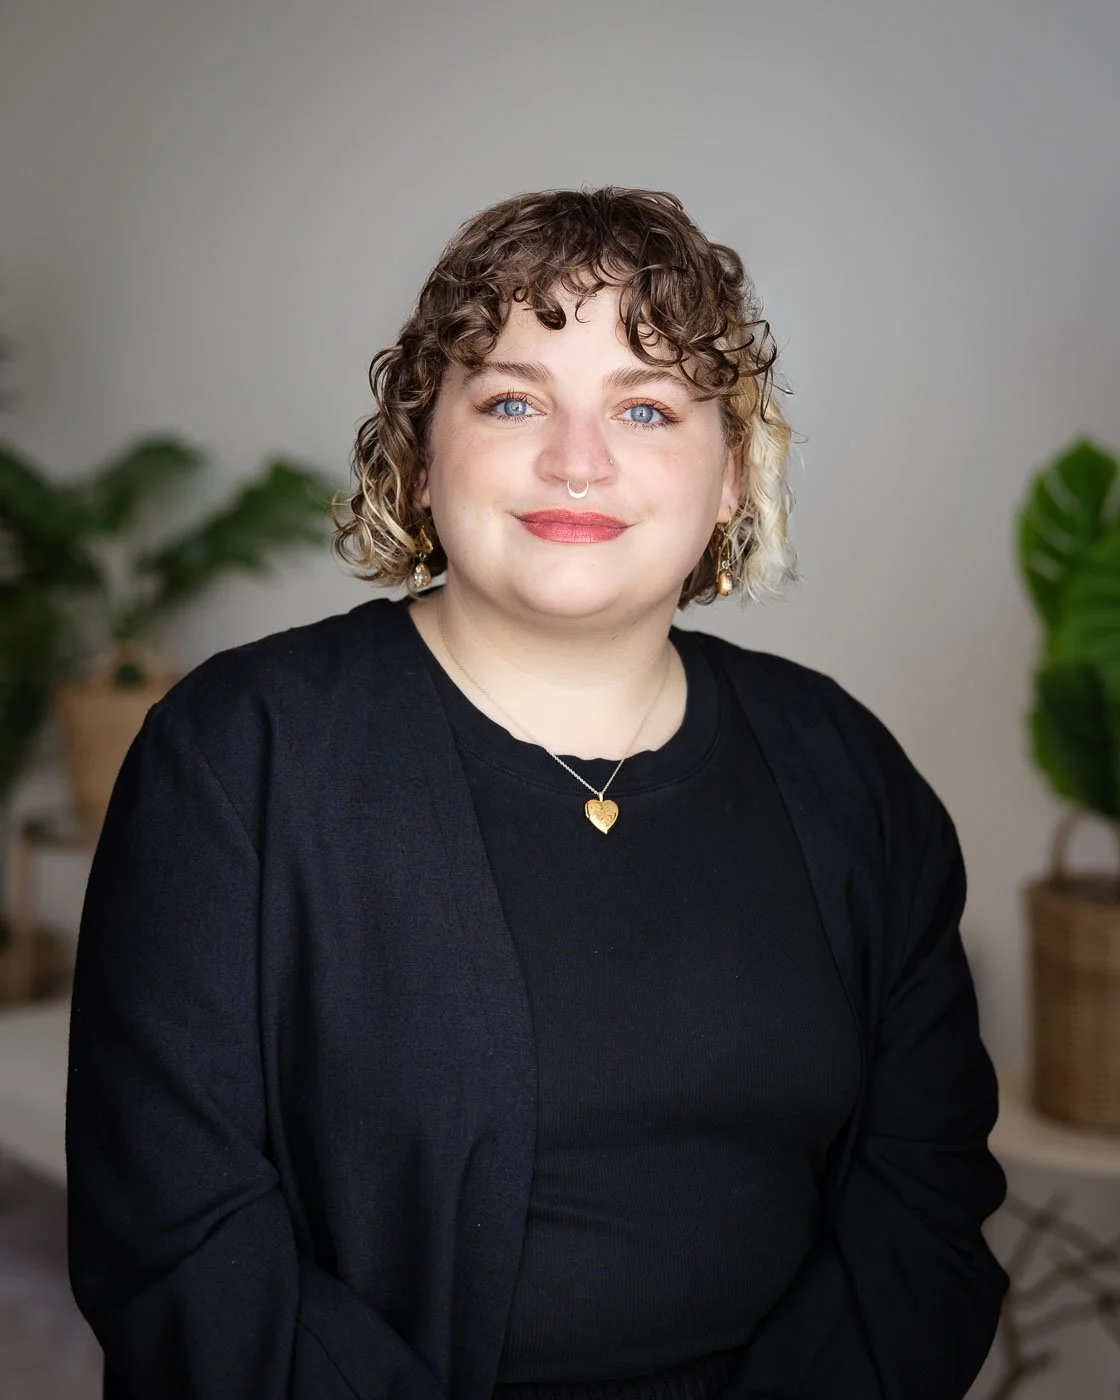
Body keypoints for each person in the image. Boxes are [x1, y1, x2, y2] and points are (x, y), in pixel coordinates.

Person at [65, 186, 1009, 1400]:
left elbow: (922, 1205)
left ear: (729, 476)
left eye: (647, 407)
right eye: (513, 398)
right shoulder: (236, 756)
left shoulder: (847, 769)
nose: (577, 460)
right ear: (419, 451)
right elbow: (179, 1236)